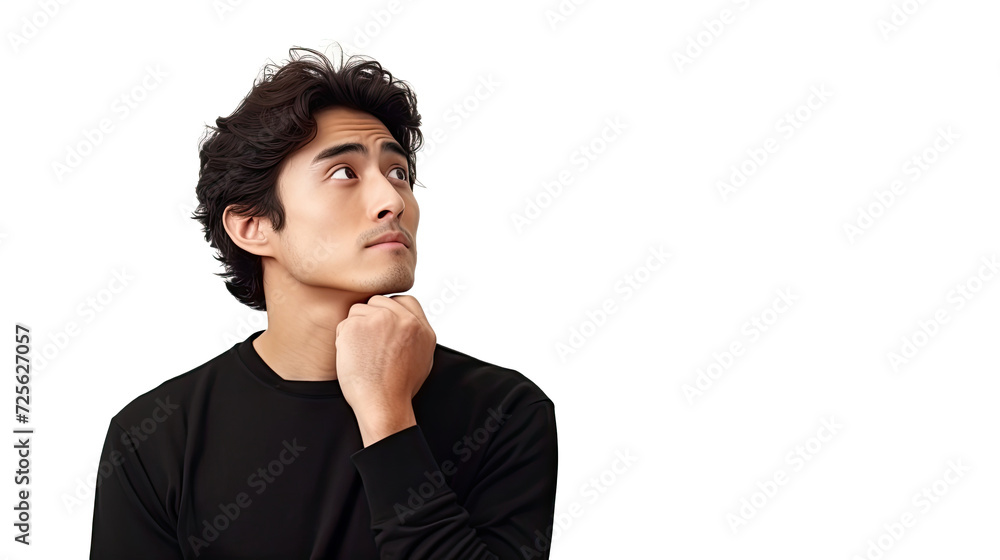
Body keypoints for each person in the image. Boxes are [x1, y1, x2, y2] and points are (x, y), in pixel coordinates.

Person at [89, 45, 558, 559]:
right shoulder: (154, 438)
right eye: (345, 174)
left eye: (398, 172)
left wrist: (387, 417)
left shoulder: (503, 413)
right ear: (253, 226)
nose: (393, 200)